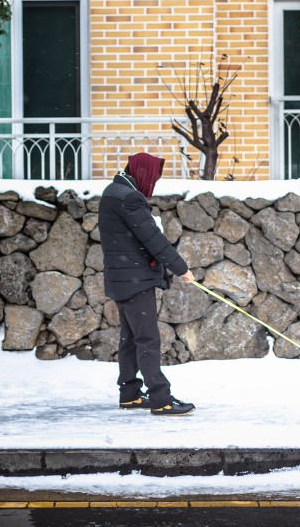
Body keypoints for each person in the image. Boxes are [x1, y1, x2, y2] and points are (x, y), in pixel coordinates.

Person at [98, 152, 196, 416]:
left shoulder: (113, 191)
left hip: (123, 278)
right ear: (144, 174)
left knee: (131, 338)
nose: (153, 183)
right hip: (135, 280)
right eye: (154, 177)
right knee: (148, 339)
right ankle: (161, 399)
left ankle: (129, 394)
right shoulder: (129, 198)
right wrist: (181, 268)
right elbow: (152, 238)